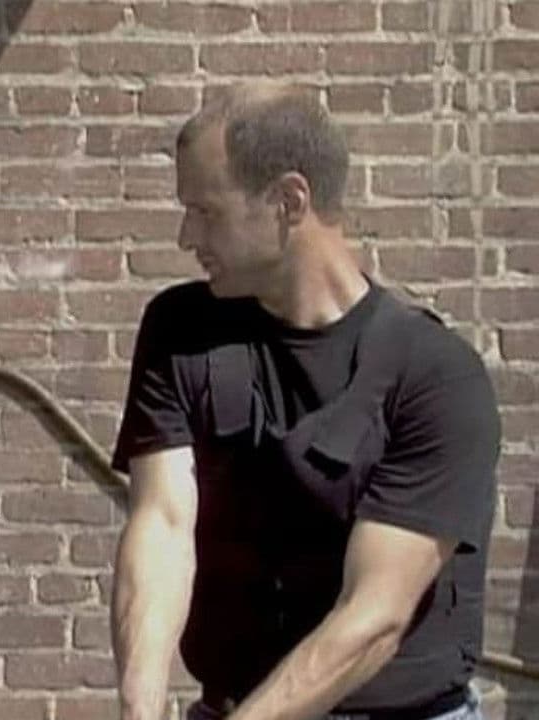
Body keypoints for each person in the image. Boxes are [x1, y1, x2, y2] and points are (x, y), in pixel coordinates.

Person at [111, 83, 500, 720]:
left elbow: (374, 617)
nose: (186, 236)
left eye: (206, 211)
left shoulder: (435, 377)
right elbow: (163, 524)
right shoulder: (181, 333)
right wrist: (140, 704)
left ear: (290, 201)